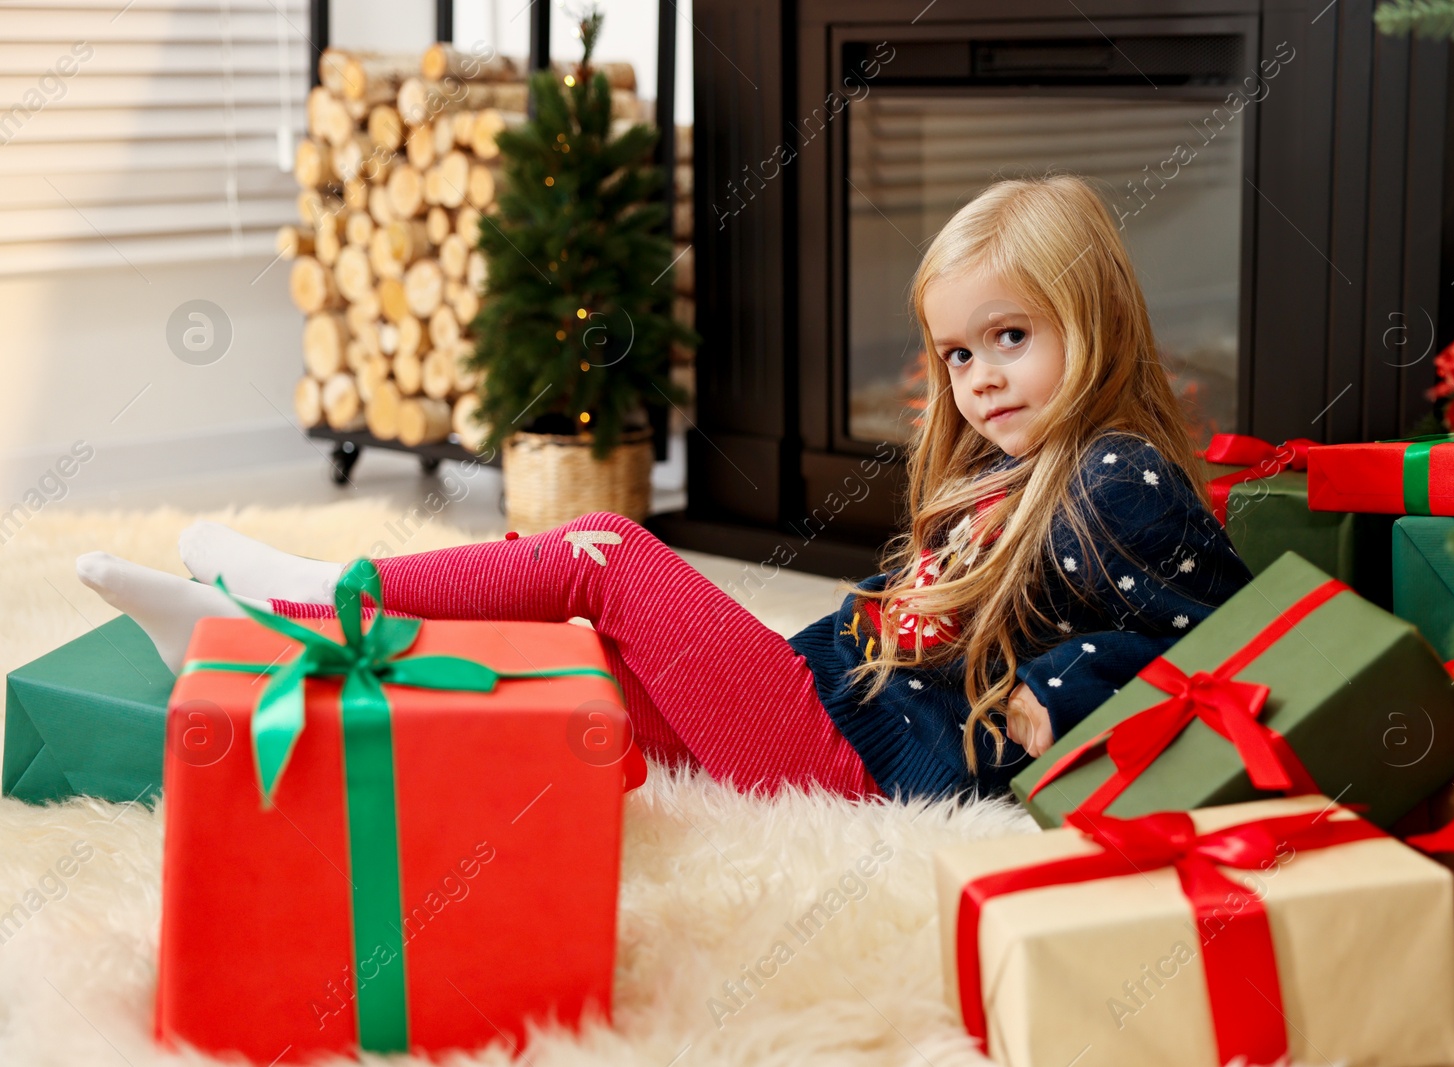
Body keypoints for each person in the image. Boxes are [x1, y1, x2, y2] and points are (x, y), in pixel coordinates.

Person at [76, 174, 1251, 804]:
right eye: (959, 353)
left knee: (601, 549)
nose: (980, 378)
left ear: (1089, 321)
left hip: (863, 760)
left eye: (1010, 337)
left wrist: (1053, 691)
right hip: (819, 701)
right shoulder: (1006, 471)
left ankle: (323, 593)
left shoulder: (1114, 476)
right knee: (557, 677)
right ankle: (260, 649)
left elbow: (1219, 635)